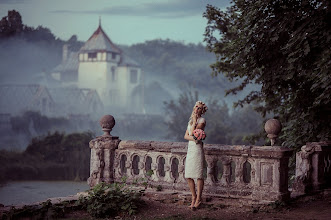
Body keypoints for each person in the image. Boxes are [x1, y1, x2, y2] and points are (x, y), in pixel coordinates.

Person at [184, 101, 208, 210]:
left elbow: (193, 133)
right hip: (191, 149)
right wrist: (193, 138)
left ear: (202, 111)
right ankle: (193, 197)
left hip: (198, 150)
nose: (197, 109)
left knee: (198, 175)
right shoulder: (190, 121)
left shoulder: (202, 121)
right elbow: (186, 136)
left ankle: (198, 199)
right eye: (196, 107)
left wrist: (194, 122)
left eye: (199, 108)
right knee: (188, 175)